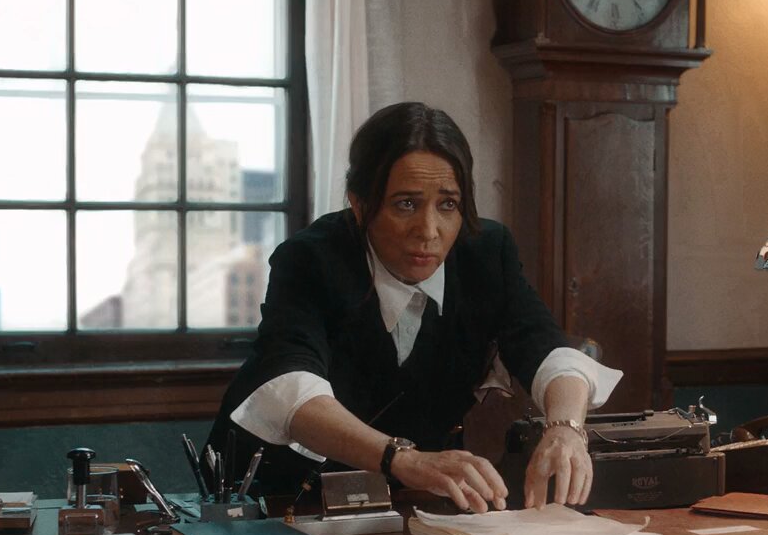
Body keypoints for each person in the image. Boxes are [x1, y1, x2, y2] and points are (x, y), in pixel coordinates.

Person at [206, 101, 621, 513]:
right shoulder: (311, 258)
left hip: (415, 497)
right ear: (360, 204)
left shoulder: (486, 254)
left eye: (448, 205)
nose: (428, 231)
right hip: (276, 496)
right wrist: (403, 459)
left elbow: (547, 349)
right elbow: (292, 387)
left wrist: (566, 429)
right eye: (406, 204)